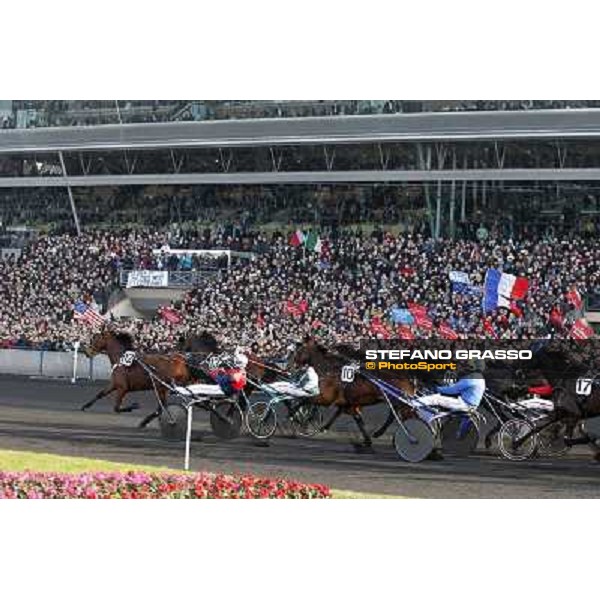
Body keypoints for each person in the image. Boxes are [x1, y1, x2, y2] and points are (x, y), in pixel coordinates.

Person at [418, 360, 486, 412]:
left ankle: (412, 404)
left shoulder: (472, 378)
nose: (467, 365)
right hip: (470, 405)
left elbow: (453, 390)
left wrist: (437, 388)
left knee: (435, 398)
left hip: (464, 404)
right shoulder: (479, 378)